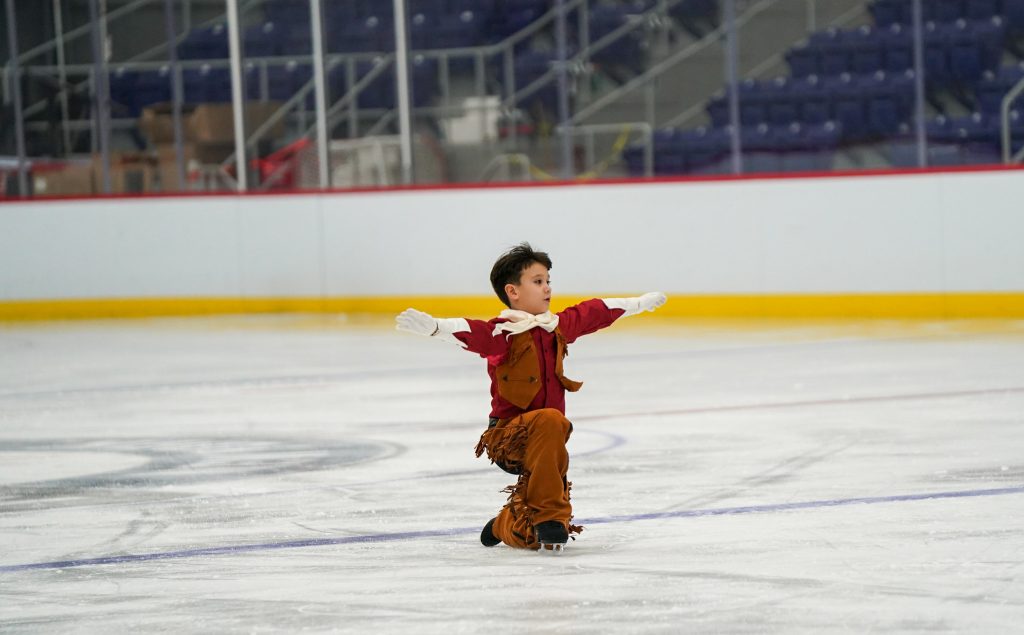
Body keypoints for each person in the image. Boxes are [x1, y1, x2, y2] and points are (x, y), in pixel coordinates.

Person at [395, 243, 666, 552]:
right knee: (553, 423)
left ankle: (507, 523)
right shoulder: (503, 334)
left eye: (548, 280)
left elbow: (594, 312)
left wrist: (638, 303)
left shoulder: (557, 328)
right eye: (538, 281)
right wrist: (436, 328)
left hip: (548, 439)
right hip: (509, 438)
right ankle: (549, 516)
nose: (547, 288)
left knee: (536, 531)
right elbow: (472, 330)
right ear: (513, 291)